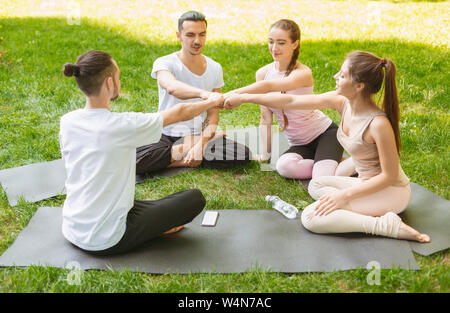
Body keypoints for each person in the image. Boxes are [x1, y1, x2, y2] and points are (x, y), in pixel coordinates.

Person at [224, 51, 430, 243]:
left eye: (342, 75)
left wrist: (344, 196)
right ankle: (359, 208)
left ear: (359, 85)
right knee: (316, 185)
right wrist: (244, 98)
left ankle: (385, 225)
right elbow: (291, 99)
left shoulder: (378, 124)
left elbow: (389, 176)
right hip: (365, 183)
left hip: (391, 192)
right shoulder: (343, 103)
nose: (334, 76)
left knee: (311, 217)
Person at [60, 50, 224, 255]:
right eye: (118, 77)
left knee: (149, 205)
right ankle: (153, 229)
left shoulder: (67, 121)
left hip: (72, 227)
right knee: (194, 198)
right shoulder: (122, 125)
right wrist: (212, 100)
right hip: (107, 239)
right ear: (109, 83)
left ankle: (154, 221)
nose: (120, 82)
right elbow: (179, 113)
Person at [225, 19, 343, 180]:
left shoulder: (302, 73)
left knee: (322, 179)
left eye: (281, 43)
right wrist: (266, 155)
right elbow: (265, 118)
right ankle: (330, 163)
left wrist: (234, 95)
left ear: (295, 44)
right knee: (284, 167)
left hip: (325, 133)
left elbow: (269, 86)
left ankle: (329, 165)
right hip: (299, 144)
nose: (274, 48)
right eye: (271, 42)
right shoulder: (262, 73)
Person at [136, 11, 251, 175]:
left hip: (197, 134)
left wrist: (201, 143)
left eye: (202, 34)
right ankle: (184, 157)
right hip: (164, 134)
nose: (197, 41)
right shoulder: (164, 63)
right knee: (137, 160)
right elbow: (173, 87)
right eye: (190, 35)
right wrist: (205, 95)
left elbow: (213, 114)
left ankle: (175, 157)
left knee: (242, 154)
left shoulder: (214, 67)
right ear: (179, 36)